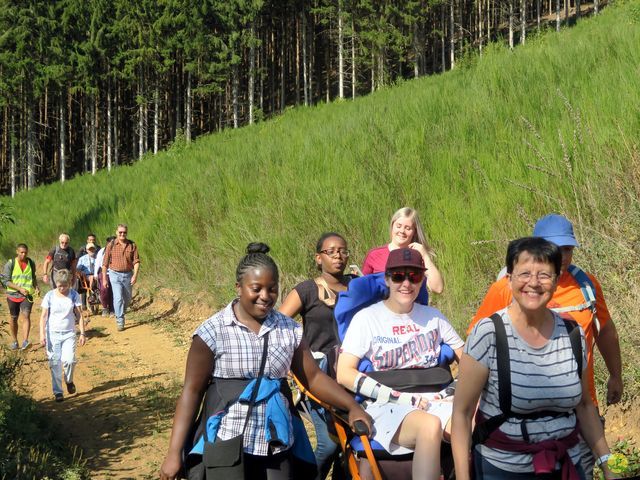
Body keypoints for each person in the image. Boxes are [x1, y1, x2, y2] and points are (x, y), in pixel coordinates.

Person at [159, 243, 371, 480]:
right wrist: (174, 452)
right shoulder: (212, 331)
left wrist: (352, 408)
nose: (265, 296)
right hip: (227, 440)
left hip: (276, 441)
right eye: (256, 288)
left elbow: (312, 377)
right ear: (238, 288)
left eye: (272, 289)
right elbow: (192, 391)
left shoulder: (288, 329)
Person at [452, 237, 614, 480]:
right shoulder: (489, 333)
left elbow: (584, 405)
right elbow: (462, 414)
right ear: (509, 278)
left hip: (567, 463)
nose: (534, 283)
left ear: (557, 281)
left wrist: (608, 466)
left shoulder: (572, 333)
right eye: (524, 273)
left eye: (544, 275)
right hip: (503, 468)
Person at [337, 247, 464, 480]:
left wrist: (453, 390)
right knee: (430, 425)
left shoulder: (434, 317)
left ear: (422, 280)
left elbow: (468, 362)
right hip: (387, 402)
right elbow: (344, 373)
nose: (406, 283)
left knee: (472, 422)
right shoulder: (366, 319)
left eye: (414, 276)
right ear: (387, 278)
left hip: (436, 397)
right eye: (398, 276)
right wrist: (404, 399)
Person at [280, 232, 355, 480]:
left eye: (342, 251)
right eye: (331, 251)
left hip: (353, 374)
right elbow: (278, 324)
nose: (338, 256)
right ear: (318, 258)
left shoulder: (357, 286)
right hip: (317, 376)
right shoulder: (307, 290)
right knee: (330, 442)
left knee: (353, 443)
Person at [361, 207, 444, 294]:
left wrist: (425, 256)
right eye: (398, 226)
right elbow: (362, 288)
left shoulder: (419, 256)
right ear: (392, 226)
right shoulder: (374, 255)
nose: (402, 231)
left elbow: (438, 288)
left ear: (414, 232)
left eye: (408, 228)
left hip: (413, 307)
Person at [39, 269, 86, 402]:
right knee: (55, 363)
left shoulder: (74, 295)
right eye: (59, 285)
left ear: (69, 283)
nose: (62, 288)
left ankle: (69, 380)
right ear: (56, 283)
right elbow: (43, 317)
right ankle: (58, 392)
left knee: (69, 360)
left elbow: (79, 315)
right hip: (52, 334)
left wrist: (82, 333)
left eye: (64, 285)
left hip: (69, 333)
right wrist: (42, 334)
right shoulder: (49, 296)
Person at [101, 225, 140, 331]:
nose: (122, 234)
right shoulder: (111, 245)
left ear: (127, 233)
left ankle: (121, 312)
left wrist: (135, 275)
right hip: (114, 274)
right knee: (118, 297)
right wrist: (104, 279)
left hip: (128, 274)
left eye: (124, 232)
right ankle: (120, 320)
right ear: (116, 232)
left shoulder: (132, 245)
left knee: (127, 299)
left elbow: (136, 261)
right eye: (120, 232)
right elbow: (104, 264)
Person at [3, 243, 39, 350]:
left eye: (25, 252)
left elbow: (33, 277)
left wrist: (36, 286)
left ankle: (25, 341)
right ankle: (15, 342)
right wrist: (19, 289)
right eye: (21, 252)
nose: (23, 254)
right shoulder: (10, 264)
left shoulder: (31, 263)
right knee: (14, 318)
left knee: (26, 315)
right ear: (17, 252)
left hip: (27, 295)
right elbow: (5, 281)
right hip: (13, 295)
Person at [95, 236, 115, 317]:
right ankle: (104, 308)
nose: (112, 244)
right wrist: (95, 274)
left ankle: (112, 309)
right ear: (107, 243)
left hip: (114, 273)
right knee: (104, 290)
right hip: (103, 273)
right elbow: (97, 262)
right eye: (111, 242)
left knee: (113, 291)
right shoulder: (102, 251)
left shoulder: (117, 250)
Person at [76, 242, 97, 310]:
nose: (91, 250)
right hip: (86, 276)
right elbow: (78, 269)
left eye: (92, 249)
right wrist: (81, 272)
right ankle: (92, 295)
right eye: (89, 249)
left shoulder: (98, 258)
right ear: (87, 250)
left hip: (96, 275)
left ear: (95, 249)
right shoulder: (82, 259)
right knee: (91, 277)